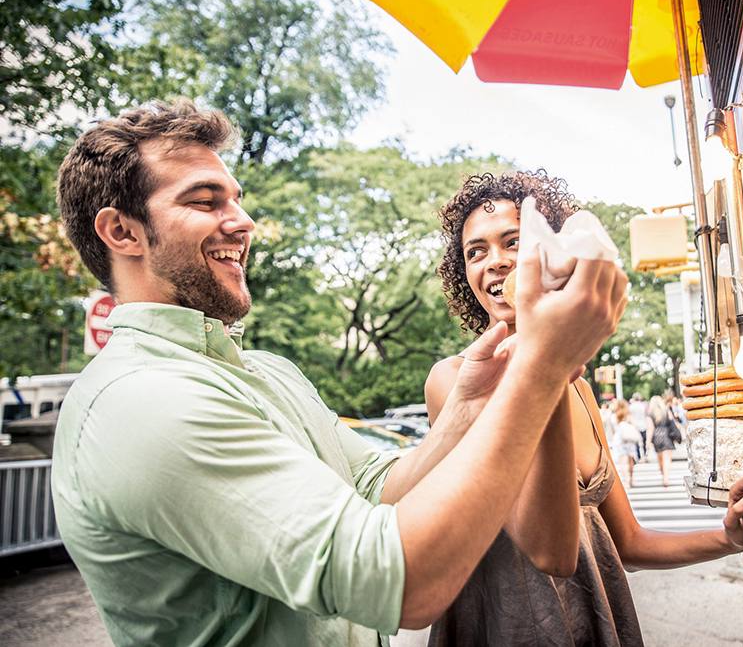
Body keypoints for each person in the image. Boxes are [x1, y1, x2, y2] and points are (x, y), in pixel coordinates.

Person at [49, 100, 631, 646]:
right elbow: (400, 582)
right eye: (206, 202)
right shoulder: (141, 400)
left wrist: (465, 410)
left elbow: (376, 490)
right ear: (122, 232)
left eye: (237, 198)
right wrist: (543, 363)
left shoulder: (266, 372)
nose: (243, 221)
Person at [426, 171, 743, 646]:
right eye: (476, 251)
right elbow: (547, 552)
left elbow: (627, 545)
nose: (495, 262)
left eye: (513, 241)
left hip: (595, 621)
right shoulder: (455, 382)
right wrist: (545, 356)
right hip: (506, 629)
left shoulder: (579, 390)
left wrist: (731, 537)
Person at [647, 395, 680, 487]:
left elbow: (650, 428)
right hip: (667, 437)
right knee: (667, 460)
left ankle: (663, 475)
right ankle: (666, 478)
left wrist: (648, 442)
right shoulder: (666, 411)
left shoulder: (650, 414)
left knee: (660, 459)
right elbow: (673, 423)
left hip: (656, 438)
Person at [611, 398, 640, 487]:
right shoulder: (628, 415)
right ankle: (631, 478)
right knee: (631, 461)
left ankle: (626, 480)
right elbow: (635, 426)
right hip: (629, 440)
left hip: (619, 440)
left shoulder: (614, 416)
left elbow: (613, 430)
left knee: (623, 462)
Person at [628, 393, 651, 460]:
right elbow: (646, 415)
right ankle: (645, 454)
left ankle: (638, 456)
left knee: (636, 441)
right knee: (644, 440)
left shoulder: (631, 406)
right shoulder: (643, 405)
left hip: (635, 425)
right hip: (643, 424)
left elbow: (630, 417)